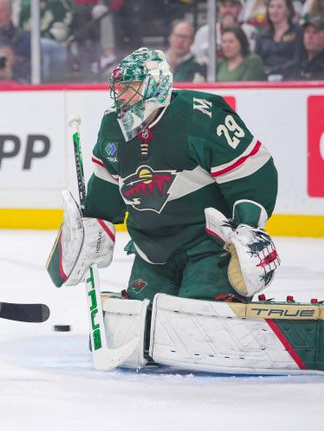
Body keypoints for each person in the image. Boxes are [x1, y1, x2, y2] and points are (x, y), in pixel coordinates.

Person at [54, 46, 278, 363]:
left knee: (196, 319)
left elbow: (254, 172)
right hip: (152, 251)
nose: (121, 96)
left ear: (156, 86)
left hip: (208, 246)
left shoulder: (201, 116)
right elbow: (105, 195)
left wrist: (248, 228)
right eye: (118, 88)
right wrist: (90, 229)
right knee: (136, 324)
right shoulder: (112, 129)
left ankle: (218, 292)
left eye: (130, 87)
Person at [192, 0, 256, 61]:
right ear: (219, 9)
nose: (227, 10)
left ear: (240, 8)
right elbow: (195, 56)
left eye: (232, 6)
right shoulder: (205, 31)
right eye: (224, 6)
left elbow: (250, 55)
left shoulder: (249, 31)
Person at [255, 0, 301, 77]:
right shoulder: (261, 35)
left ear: (288, 10)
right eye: (271, 7)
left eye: (279, 7)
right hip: (265, 78)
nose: (274, 11)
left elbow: (299, 59)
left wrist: (275, 71)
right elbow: (257, 61)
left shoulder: (298, 31)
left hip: (290, 78)